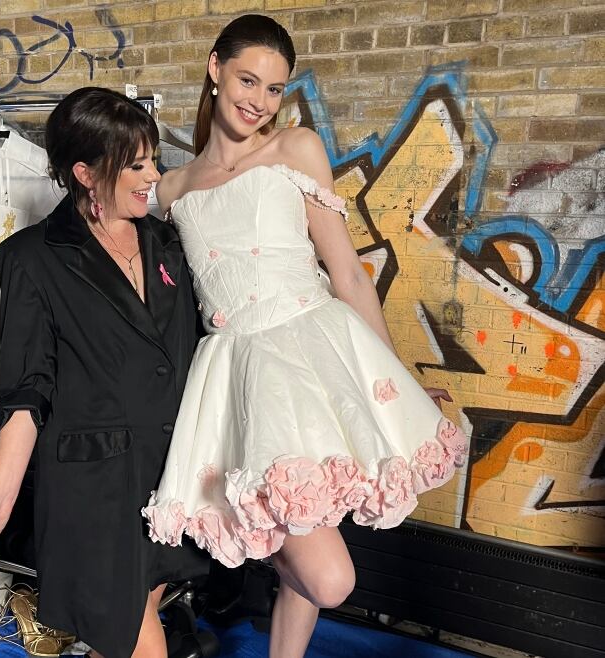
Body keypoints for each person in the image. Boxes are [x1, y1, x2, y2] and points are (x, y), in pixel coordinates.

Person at [143, 14, 466, 658]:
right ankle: (252, 560)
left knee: (318, 556)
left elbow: (345, 270)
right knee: (328, 573)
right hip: (236, 375)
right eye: (246, 79)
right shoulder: (171, 189)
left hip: (314, 352)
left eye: (273, 88)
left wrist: (391, 378)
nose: (258, 100)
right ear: (214, 68)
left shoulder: (296, 149)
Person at [0, 87, 209, 658]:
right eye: (136, 164)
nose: (153, 176)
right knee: (136, 638)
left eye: (153, 159)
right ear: (86, 172)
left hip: (174, 477)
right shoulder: (30, 257)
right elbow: (25, 390)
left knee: (140, 614)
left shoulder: (171, 243)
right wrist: (0, 496)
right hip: (97, 492)